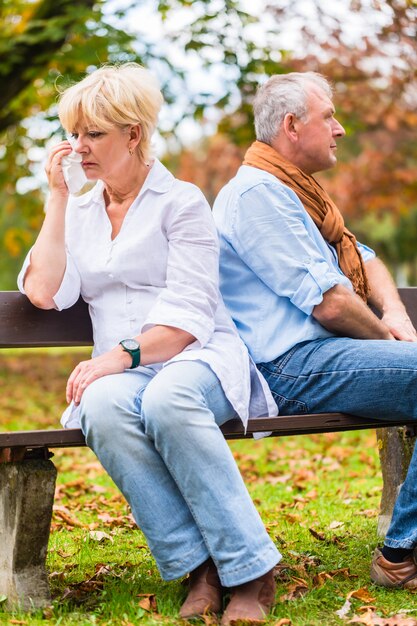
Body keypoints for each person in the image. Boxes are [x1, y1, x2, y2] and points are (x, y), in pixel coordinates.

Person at [18, 63, 281, 624]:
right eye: (74, 134)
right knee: (103, 407)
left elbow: (189, 316)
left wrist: (116, 356)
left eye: (93, 134)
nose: (78, 147)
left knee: (167, 401)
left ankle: (253, 571)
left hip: (197, 356)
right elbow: (43, 291)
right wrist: (58, 200)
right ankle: (200, 566)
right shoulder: (82, 210)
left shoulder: (181, 202)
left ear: (132, 134)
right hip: (124, 372)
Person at [213, 71, 417, 590]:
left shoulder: (300, 194)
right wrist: (387, 342)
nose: (341, 128)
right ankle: (401, 554)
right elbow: (330, 304)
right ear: (291, 125)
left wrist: (394, 314)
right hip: (288, 367)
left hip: (325, 357)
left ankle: (404, 548)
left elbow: (364, 260)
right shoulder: (257, 194)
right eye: (329, 116)